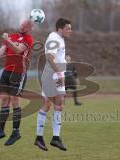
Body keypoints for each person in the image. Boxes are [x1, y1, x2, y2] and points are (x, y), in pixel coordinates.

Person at [0, 20, 34, 146]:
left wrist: (7, 40)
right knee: (4, 100)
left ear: (29, 29)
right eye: (22, 24)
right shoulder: (12, 36)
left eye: (26, 26)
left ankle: (15, 132)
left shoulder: (29, 39)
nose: (22, 26)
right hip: (6, 72)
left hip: (18, 73)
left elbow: (18, 50)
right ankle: (0, 130)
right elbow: (2, 49)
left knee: (14, 101)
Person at [34, 18, 72, 151]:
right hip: (51, 75)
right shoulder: (53, 37)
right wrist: (60, 74)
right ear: (60, 28)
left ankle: (55, 138)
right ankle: (39, 137)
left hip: (56, 75)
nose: (70, 31)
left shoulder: (60, 39)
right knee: (47, 104)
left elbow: (56, 57)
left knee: (59, 105)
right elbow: (49, 57)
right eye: (68, 28)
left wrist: (64, 62)